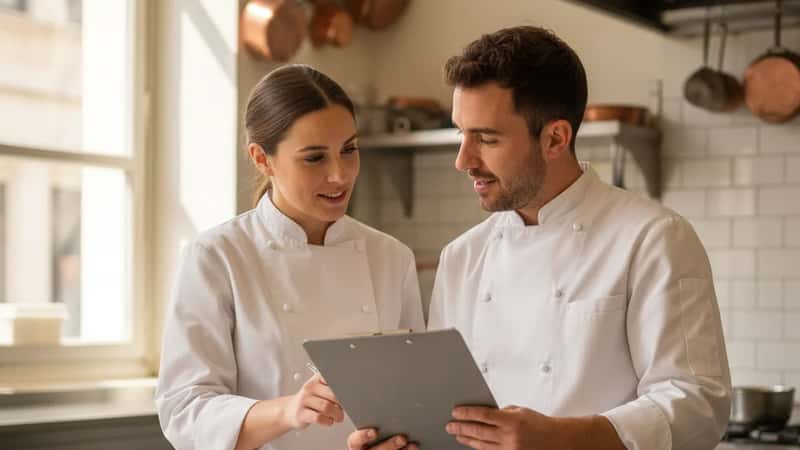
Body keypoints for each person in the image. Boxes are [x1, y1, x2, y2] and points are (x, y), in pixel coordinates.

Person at [348, 26, 730, 450]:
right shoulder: (462, 256)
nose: (463, 160)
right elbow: (445, 416)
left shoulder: (653, 239)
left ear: (555, 138)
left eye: (486, 138)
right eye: (461, 134)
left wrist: (561, 437)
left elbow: (697, 406)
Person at [155, 64, 425, 450]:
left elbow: (412, 397)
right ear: (262, 159)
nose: (340, 175)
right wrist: (289, 411)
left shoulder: (391, 258)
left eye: (349, 150)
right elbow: (185, 410)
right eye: (315, 158)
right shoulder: (217, 257)